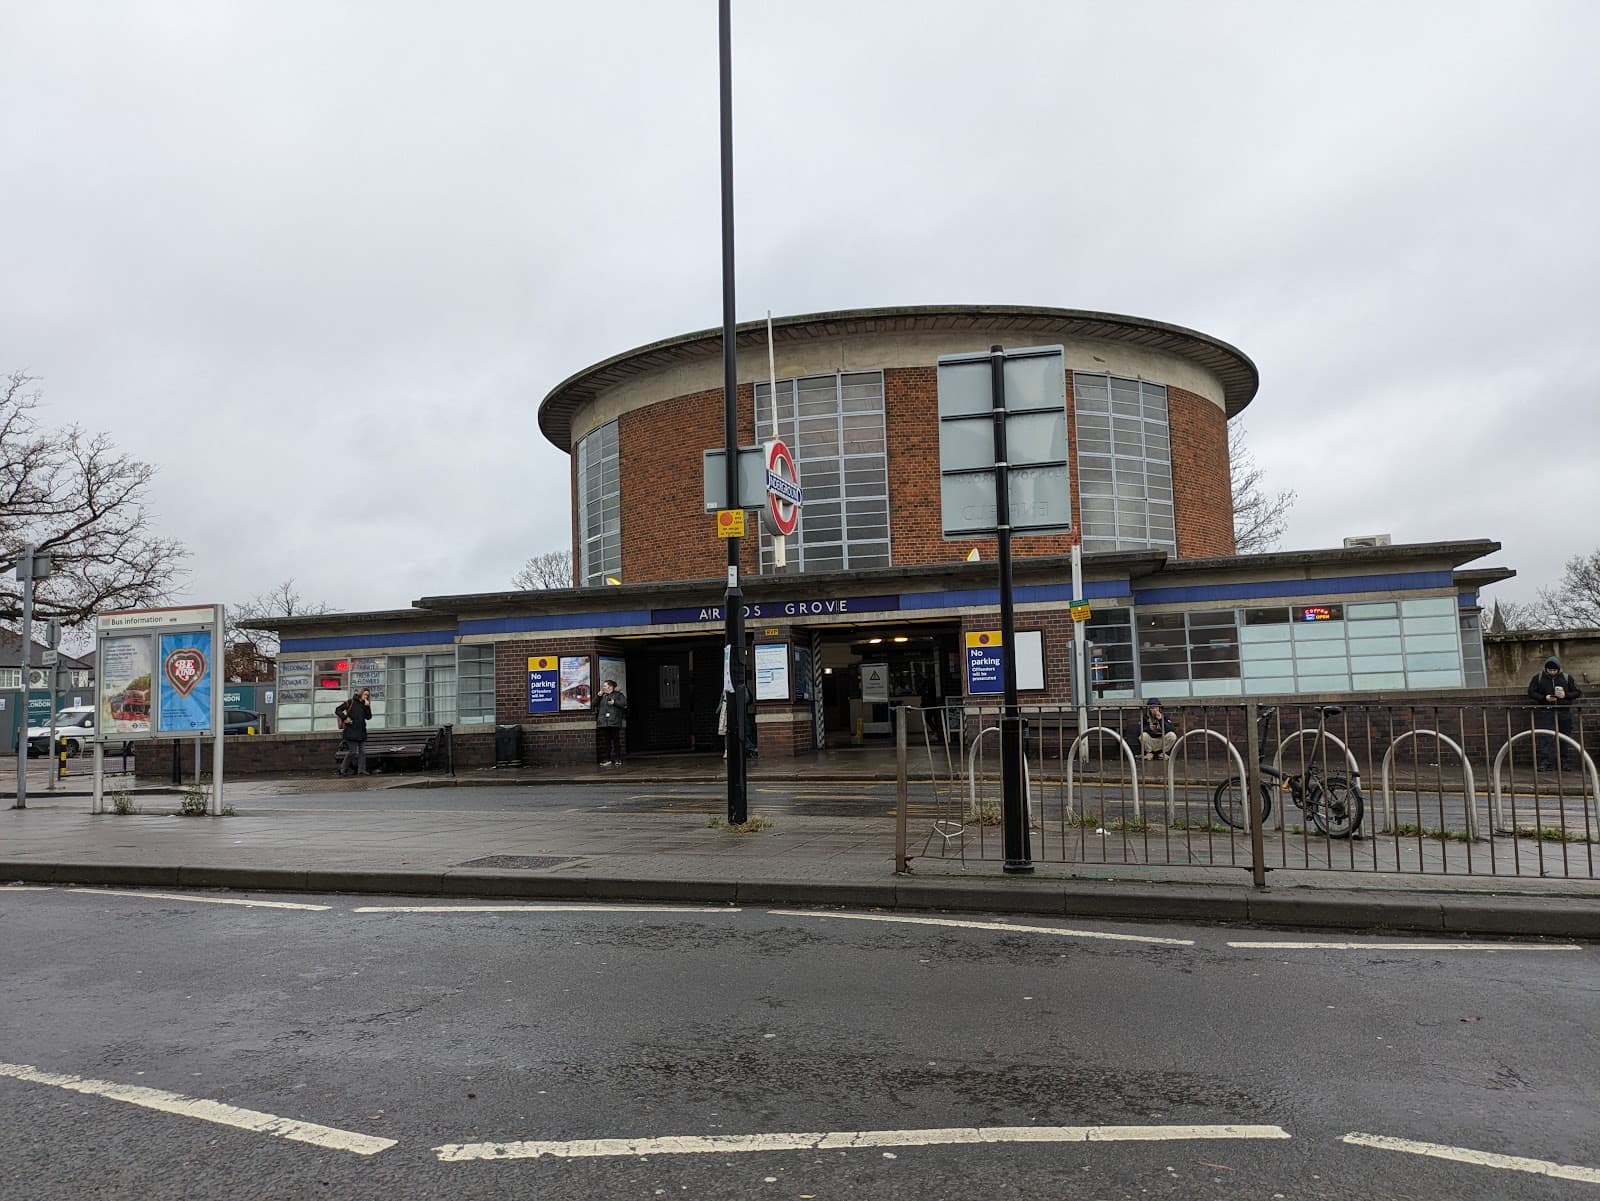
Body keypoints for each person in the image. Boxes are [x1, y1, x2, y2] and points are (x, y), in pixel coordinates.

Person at [1527, 656, 1583, 771]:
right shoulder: (1538, 678)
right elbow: (1531, 692)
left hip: (1564, 711)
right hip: (1547, 711)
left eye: (1554, 670)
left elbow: (1577, 692)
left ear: (1559, 669)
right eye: (1550, 670)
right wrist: (1544, 698)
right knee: (1547, 738)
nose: (1552, 672)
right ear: (1546, 669)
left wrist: (1565, 695)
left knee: (1565, 738)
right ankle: (1546, 763)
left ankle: (1564, 763)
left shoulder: (1567, 678)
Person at [335, 688, 372, 777]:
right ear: (360, 693)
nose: (366, 696)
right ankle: (343, 769)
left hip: (361, 731)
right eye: (364, 694)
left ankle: (361, 770)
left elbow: (368, 717)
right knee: (352, 752)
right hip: (351, 731)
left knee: (362, 751)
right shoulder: (350, 702)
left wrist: (368, 706)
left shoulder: (364, 704)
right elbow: (338, 710)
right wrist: (345, 718)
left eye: (367, 695)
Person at [595, 677, 628, 766]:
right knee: (606, 742)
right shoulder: (602, 696)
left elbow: (624, 704)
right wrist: (598, 696)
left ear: (610, 687)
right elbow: (594, 704)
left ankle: (618, 759)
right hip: (604, 722)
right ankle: (607, 759)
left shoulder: (618, 695)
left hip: (614, 722)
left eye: (605, 686)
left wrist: (614, 703)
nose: (603, 687)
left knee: (616, 741)